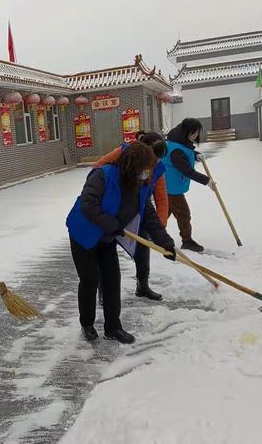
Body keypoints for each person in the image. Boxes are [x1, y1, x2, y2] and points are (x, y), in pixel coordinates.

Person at [66, 143, 175, 344]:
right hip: (84, 234)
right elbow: (88, 204)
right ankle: (87, 323)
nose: (147, 173)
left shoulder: (140, 185)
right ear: (132, 166)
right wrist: (111, 224)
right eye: (144, 168)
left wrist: (166, 243)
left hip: (107, 237)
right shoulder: (104, 175)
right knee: (90, 279)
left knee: (112, 280)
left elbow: (149, 216)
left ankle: (113, 327)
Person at [94, 132, 168, 301]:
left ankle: (143, 285)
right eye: (153, 156)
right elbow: (98, 167)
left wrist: (161, 229)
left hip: (138, 212)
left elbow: (161, 198)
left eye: (158, 158)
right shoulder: (123, 153)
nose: (155, 162)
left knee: (143, 247)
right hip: (113, 212)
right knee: (106, 252)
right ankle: (103, 291)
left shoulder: (158, 169)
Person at [163, 118, 216, 252]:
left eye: (197, 133)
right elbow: (187, 170)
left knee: (165, 212)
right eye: (193, 133)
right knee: (184, 214)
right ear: (186, 132)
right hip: (171, 187)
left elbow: (186, 150)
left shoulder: (179, 141)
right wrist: (207, 181)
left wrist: (196, 155)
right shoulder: (176, 150)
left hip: (169, 185)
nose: (196, 136)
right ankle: (187, 241)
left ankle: (151, 232)